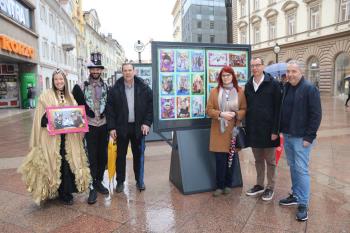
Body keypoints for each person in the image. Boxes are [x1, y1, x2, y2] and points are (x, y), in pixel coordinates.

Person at [18, 69, 91, 205]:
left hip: (68, 138)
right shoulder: (45, 96)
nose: (59, 82)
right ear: (53, 81)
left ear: (65, 81)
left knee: (67, 163)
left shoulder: (70, 96)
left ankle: (66, 191)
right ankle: (55, 189)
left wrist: (79, 122)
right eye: (56, 79)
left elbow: (77, 116)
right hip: (52, 139)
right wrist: (47, 119)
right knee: (53, 162)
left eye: (61, 79)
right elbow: (39, 120)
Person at [279, 60, 322, 221]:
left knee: (302, 169)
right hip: (288, 135)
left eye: (293, 71)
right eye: (288, 71)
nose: (290, 74)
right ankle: (295, 195)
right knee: (293, 167)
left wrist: (309, 137)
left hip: (301, 137)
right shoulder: (286, 87)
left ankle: (303, 204)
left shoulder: (310, 89)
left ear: (301, 72)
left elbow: (316, 114)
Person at [107, 63, 153, 192]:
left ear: (134, 71)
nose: (127, 73)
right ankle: (120, 181)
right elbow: (109, 110)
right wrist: (111, 128)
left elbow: (151, 107)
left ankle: (139, 180)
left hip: (138, 127)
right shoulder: (115, 89)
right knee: (120, 156)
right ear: (122, 72)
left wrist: (147, 123)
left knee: (138, 155)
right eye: (125, 70)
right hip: (121, 127)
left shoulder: (144, 87)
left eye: (130, 70)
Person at [72, 52, 109, 204]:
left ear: (101, 70)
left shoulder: (107, 86)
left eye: (98, 69)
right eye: (93, 69)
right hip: (90, 126)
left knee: (102, 156)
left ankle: (99, 180)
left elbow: (111, 104)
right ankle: (92, 186)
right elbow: (74, 105)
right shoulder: (81, 86)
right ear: (89, 70)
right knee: (91, 156)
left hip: (104, 125)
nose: (95, 72)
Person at [245, 57, 282, 201]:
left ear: (263, 66)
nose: (255, 68)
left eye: (257, 65)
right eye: (252, 66)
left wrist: (276, 130)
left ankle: (270, 187)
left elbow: (278, 109)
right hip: (254, 130)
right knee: (258, 160)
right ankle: (259, 185)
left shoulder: (273, 84)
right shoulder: (248, 85)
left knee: (271, 161)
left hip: (269, 131)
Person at [206, 65, 247, 197]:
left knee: (231, 159)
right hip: (219, 131)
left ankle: (228, 185)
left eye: (228, 75)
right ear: (220, 78)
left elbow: (244, 109)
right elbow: (208, 110)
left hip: (233, 131)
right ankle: (219, 186)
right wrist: (221, 114)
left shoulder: (240, 92)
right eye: (223, 75)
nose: (226, 78)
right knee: (219, 161)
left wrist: (236, 114)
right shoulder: (214, 92)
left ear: (233, 76)